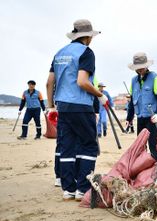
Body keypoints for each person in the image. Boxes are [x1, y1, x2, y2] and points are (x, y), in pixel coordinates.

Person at [46, 19, 108, 200]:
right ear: (88, 37)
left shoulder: (60, 53)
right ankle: (82, 189)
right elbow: (82, 81)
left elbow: (50, 82)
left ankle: (68, 190)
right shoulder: (86, 52)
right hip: (81, 106)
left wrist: (51, 107)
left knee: (67, 147)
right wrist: (99, 95)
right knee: (88, 145)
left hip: (62, 107)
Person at [126, 52, 157, 161]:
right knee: (140, 145)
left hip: (152, 118)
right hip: (140, 117)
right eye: (137, 68)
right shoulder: (134, 81)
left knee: (153, 144)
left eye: (142, 67)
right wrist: (129, 118)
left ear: (147, 66)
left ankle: (155, 168)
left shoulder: (155, 78)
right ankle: (142, 170)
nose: (140, 70)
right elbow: (132, 102)